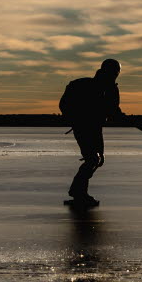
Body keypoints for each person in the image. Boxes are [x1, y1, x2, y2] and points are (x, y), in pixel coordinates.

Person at [59, 59, 126, 207]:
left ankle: (78, 191)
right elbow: (64, 105)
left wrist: (122, 117)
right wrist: (76, 118)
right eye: (114, 72)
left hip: (95, 127)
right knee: (92, 158)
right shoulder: (84, 85)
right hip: (83, 126)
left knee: (97, 158)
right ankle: (78, 193)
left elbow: (113, 110)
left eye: (116, 73)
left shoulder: (110, 88)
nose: (115, 75)